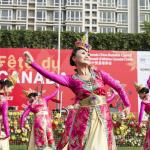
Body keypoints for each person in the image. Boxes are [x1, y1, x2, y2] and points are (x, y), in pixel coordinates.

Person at [23, 36, 130, 150]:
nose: (87, 55)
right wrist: (33, 63)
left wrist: (127, 105)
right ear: (74, 58)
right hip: (83, 119)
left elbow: (119, 88)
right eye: (83, 53)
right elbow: (51, 75)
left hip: (102, 117)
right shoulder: (71, 79)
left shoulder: (100, 74)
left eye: (88, 54)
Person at [20, 85, 60, 150]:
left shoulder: (31, 106)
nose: (29, 99)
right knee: (50, 138)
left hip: (39, 122)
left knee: (41, 141)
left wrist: (21, 126)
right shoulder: (44, 99)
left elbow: (23, 115)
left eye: (29, 97)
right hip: (47, 121)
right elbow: (53, 94)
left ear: (32, 97)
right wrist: (58, 88)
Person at [0, 73, 17, 150]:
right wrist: (8, 133)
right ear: (6, 87)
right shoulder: (3, 100)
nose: (11, 91)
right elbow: (5, 118)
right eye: (11, 89)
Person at [135, 83, 150, 150]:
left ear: (143, 93)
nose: (139, 96)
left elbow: (141, 113)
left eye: (139, 94)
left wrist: (139, 124)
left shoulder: (144, 102)